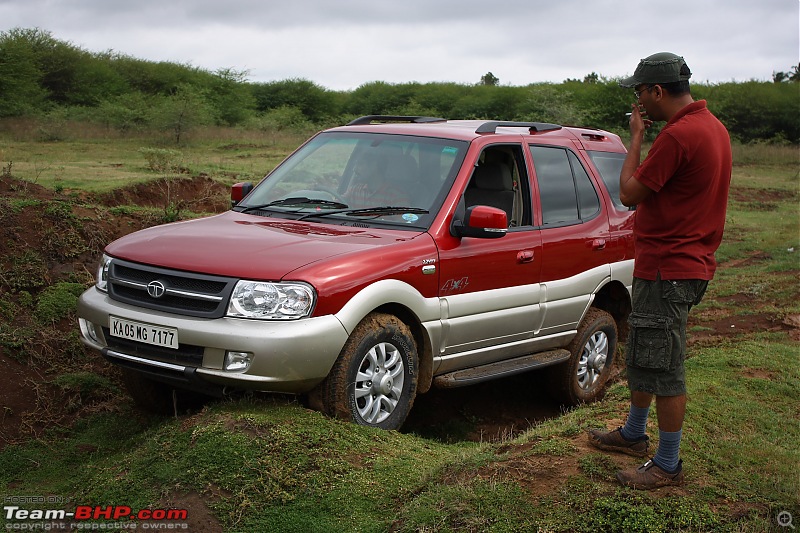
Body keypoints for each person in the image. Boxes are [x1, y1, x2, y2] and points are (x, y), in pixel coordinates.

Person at [588, 52, 732, 490]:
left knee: (665, 366)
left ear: (657, 91)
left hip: (669, 266)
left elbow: (630, 192)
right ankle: (633, 433)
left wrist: (634, 139)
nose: (638, 102)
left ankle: (668, 463)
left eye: (640, 92)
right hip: (686, 263)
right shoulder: (713, 127)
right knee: (646, 354)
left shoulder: (678, 136)